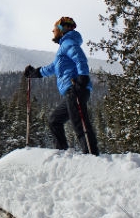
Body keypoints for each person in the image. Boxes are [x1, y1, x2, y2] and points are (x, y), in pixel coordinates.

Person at [24, 17, 100, 155]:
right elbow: (53, 67)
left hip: (76, 88)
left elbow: (80, 58)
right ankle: (62, 153)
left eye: (55, 28)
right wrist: (36, 73)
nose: (53, 31)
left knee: (79, 123)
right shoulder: (63, 48)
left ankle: (91, 155)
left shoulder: (68, 42)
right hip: (71, 91)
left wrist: (82, 78)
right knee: (54, 120)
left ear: (62, 28)